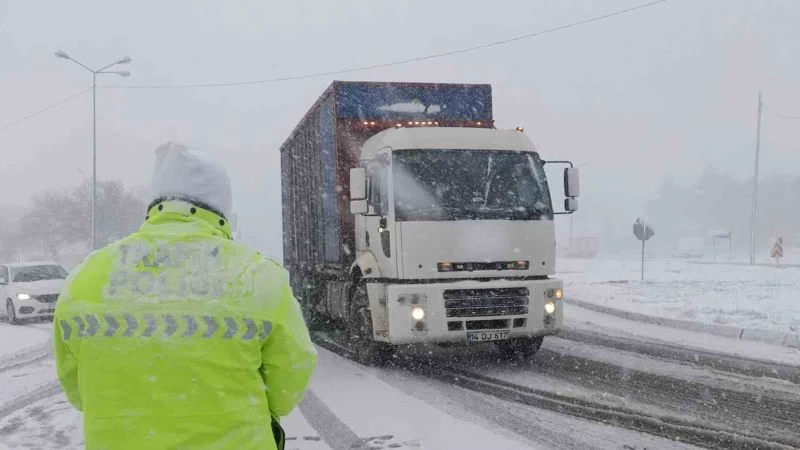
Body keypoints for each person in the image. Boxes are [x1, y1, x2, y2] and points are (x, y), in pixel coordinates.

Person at [54, 142, 317, 450]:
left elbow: (77, 388)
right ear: (221, 207)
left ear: (155, 203)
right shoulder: (258, 276)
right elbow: (290, 378)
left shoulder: (86, 277)